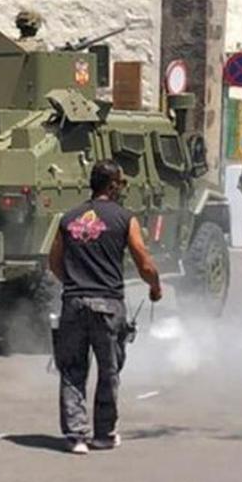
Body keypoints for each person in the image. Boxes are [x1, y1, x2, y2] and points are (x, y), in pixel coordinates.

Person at [47, 160, 162, 455]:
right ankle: (103, 434)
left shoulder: (69, 218)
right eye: (121, 184)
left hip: (73, 303)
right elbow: (144, 261)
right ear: (112, 186)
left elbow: (53, 262)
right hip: (109, 305)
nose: (123, 188)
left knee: (72, 370)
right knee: (109, 371)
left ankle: (75, 436)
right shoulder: (125, 218)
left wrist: (74, 283)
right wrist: (155, 287)